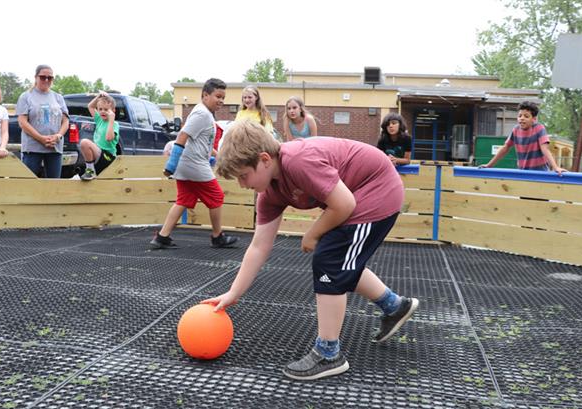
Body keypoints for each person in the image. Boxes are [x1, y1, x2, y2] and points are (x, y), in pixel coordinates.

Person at [204, 121, 419, 381]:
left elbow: (344, 204)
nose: (241, 184)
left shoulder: (297, 161)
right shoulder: (270, 193)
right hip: (356, 196)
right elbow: (259, 245)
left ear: (264, 159)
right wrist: (233, 293)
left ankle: (329, 354)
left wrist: (313, 233)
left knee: (330, 259)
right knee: (340, 261)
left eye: (243, 175)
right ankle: (394, 306)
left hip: (376, 191)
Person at [150, 78, 239, 249]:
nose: (221, 101)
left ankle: (162, 237)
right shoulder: (202, 114)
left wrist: (219, 155)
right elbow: (183, 136)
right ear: (205, 95)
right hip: (194, 165)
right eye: (217, 96)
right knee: (216, 197)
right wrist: (171, 164)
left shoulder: (203, 113)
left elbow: (201, 142)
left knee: (184, 199)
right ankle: (217, 236)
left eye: (223, 97)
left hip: (188, 164)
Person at [479, 101, 565, 174]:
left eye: (526, 116)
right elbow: (505, 147)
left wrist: (556, 167)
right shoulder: (516, 130)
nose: (522, 118)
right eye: (520, 116)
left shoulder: (539, 128)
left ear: (534, 119)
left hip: (540, 172)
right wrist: (489, 165)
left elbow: (545, 149)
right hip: (523, 171)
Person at [16, 64, 69, 178]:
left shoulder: (58, 97)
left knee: (53, 185)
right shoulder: (26, 96)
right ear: (36, 77)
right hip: (32, 148)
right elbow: (22, 122)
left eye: (50, 78)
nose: (46, 80)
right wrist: (41, 138)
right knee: (28, 182)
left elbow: (65, 121)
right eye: (42, 77)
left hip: (54, 147)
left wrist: (58, 136)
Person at [79, 92, 120, 181]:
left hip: (108, 157)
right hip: (98, 155)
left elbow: (109, 138)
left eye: (106, 109)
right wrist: (99, 96)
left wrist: (111, 120)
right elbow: (90, 106)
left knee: (85, 142)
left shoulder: (114, 124)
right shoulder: (99, 120)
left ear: (113, 111)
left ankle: (90, 170)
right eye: (100, 109)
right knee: (83, 144)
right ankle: (90, 169)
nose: (102, 111)